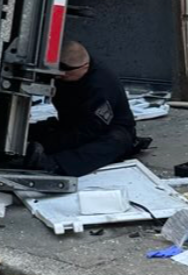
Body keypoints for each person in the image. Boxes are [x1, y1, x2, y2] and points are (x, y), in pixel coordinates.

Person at [24, 40, 137, 177]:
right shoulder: (66, 75)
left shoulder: (101, 86)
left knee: (112, 143)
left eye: (66, 71)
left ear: (84, 66)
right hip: (71, 124)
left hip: (105, 130)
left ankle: (53, 164)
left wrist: (53, 145)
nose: (61, 75)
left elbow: (90, 130)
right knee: (36, 131)